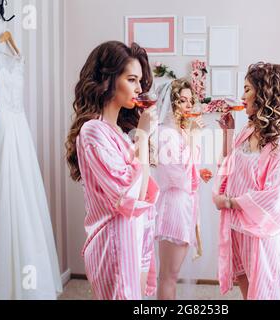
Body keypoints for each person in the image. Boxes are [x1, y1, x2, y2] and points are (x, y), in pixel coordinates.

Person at [65, 41, 159, 300]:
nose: (139, 89)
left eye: (140, 81)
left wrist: (142, 137)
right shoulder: (93, 131)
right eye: (131, 79)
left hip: (134, 235)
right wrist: (142, 135)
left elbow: (143, 191)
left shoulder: (117, 132)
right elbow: (128, 197)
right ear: (108, 80)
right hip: (114, 242)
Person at [213, 62, 280, 300]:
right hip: (238, 229)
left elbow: (275, 196)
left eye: (247, 89)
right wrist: (228, 134)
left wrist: (230, 203)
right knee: (247, 293)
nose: (242, 96)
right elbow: (229, 167)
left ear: (264, 93)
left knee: (263, 295)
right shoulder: (246, 131)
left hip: (261, 236)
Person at [153, 79, 212, 300]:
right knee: (168, 275)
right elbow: (177, 176)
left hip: (185, 205)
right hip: (174, 207)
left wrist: (198, 173)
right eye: (182, 100)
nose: (188, 106)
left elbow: (188, 170)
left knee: (172, 274)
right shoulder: (165, 133)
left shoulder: (180, 132)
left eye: (190, 101)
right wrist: (194, 137)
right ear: (171, 102)